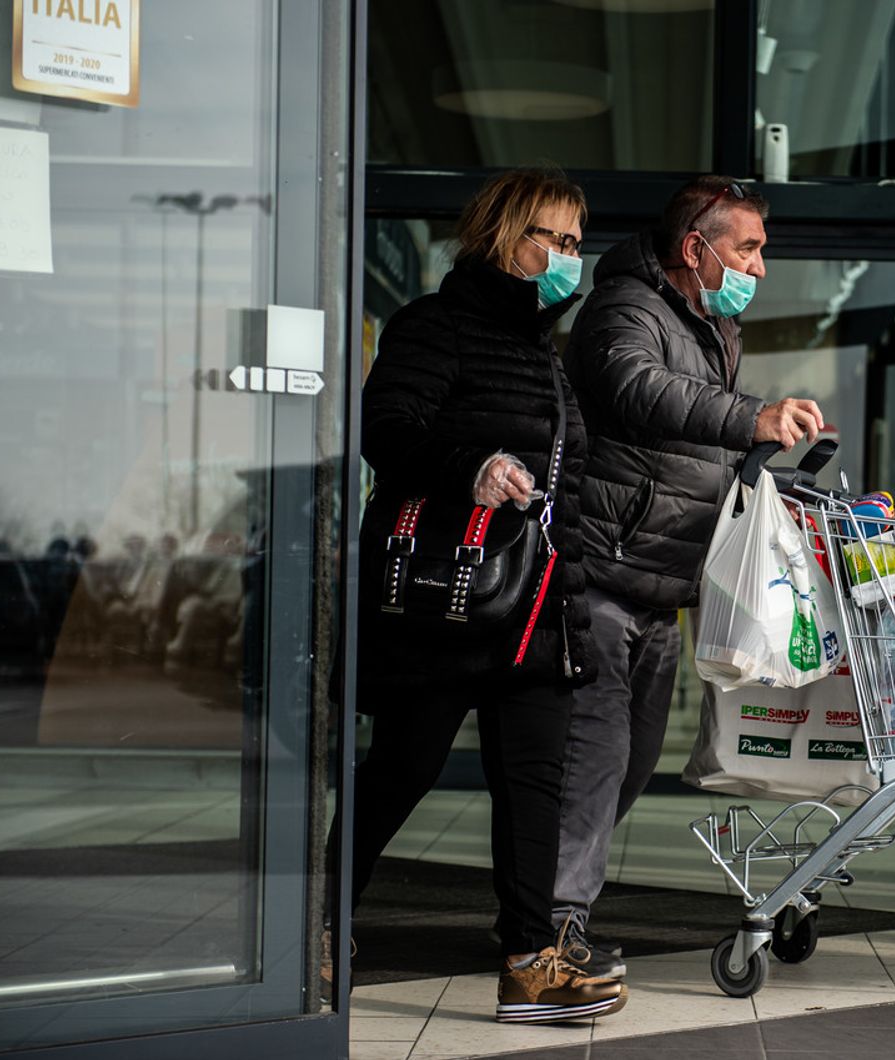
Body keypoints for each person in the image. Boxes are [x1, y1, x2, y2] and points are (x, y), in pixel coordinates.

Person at [344, 167, 625, 1023]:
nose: (570, 258)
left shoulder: (546, 351)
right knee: (404, 767)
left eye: (578, 243)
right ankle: (319, 915)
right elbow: (385, 429)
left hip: (536, 608)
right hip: (450, 604)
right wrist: (473, 467)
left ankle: (529, 963)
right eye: (556, 238)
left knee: (534, 783)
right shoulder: (436, 325)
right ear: (506, 235)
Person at [553, 175, 823, 974]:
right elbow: (641, 391)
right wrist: (752, 417)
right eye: (748, 248)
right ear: (695, 249)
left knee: (630, 764)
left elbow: (695, 449)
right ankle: (554, 927)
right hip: (603, 576)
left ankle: (556, 904)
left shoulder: (710, 322)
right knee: (593, 763)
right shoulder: (624, 308)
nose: (760, 266)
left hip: (664, 582)